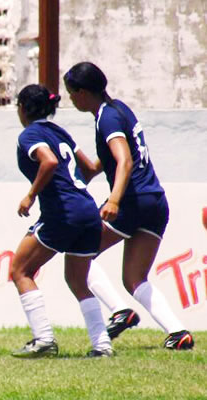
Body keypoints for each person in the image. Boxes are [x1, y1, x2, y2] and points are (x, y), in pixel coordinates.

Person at [64, 61, 194, 350]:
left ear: (83, 93)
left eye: (71, 93)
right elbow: (111, 159)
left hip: (132, 201)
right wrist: (83, 174)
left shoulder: (106, 118)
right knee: (134, 278)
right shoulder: (119, 108)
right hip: (155, 201)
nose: (71, 99)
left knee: (78, 248)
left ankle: (120, 312)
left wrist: (113, 200)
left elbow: (124, 160)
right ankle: (178, 332)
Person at [10, 84, 112, 358]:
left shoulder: (30, 134)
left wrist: (30, 195)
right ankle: (102, 346)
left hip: (63, 213)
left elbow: (49, 162)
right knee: (77, 280)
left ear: (22, 108)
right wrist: (116, 150)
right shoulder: (59, 132)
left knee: (19, 270)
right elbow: (90, 168)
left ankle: (43, 340)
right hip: (88, 211)